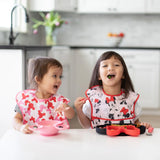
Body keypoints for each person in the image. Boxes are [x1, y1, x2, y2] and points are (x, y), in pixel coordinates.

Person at [74, 51, 151, 129]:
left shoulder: (130, 99)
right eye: (105, 65)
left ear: (123, 74)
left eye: (116, 65)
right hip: (99, 140)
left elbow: (135, 123)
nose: (110, 68)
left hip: (125, 140)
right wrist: (79, 110)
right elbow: (87, 126)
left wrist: (141, 125)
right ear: (99, 76)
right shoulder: (94, 98)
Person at [13, 57, 75, 134]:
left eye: (60, 76)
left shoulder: (58, 100)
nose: (59, 80)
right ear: (38, 79)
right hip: (32, 137)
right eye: (55, 76)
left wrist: (66, 109)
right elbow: (15, 119)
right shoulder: (25, 99)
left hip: (54, 138)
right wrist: (21, 127)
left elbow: (71, 115)